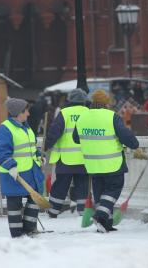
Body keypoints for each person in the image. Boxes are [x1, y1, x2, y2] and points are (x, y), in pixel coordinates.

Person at [73, 89, 139, 233]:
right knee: (113, 189)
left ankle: (105, 224)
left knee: (100, 193)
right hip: (111, 163)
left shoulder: (83, 118)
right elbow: (126, 136)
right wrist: (135, 145)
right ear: (106, 103)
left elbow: (76, 138)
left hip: (92, 164)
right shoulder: (111, 117)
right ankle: (101, 216)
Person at [0, 98, 45, 238]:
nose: (28, 114)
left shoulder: (27, 128)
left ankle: (29, 229)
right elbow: (3, 152)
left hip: (30, 172)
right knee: (14, 206)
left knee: (34, 199)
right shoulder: (5, 129)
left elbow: (32, 148)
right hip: (14, 174)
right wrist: (11, 167)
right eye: (26, 111)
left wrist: (40, 156)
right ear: (18, 113)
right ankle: (17, 235)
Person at [44, 88, 90, 218]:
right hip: (84, 159)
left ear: (70, 100)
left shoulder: (65, 113)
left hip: (65, 159)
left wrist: (46, 147)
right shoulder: (89, 113)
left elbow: (54, 133)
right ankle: (82, 211)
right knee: (83, 185)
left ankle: (53, 211)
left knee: (60, 186)